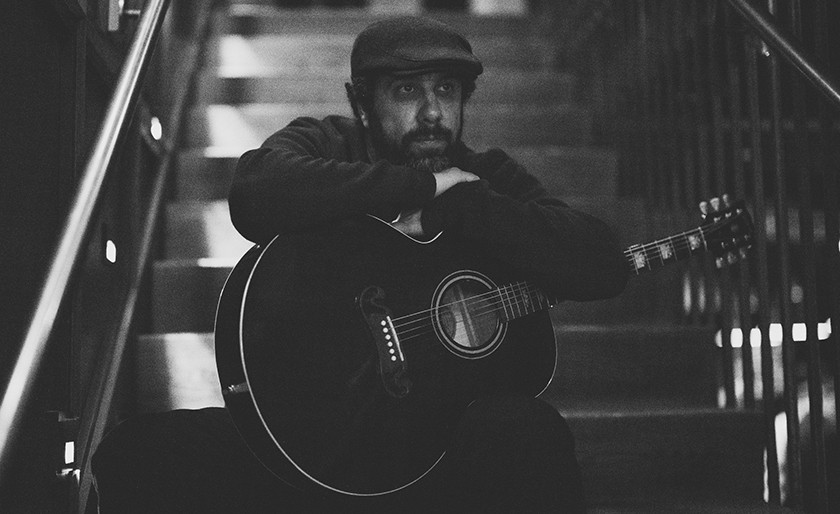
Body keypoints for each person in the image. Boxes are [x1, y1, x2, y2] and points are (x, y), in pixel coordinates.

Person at [93, 16, 627, 513]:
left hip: (434, 452)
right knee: (139, 452)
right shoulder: (329, 143)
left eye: (446, 90)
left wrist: (467, 205)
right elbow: (256, 192)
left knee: (530, 431)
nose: (433, 112)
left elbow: (603, 264)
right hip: (320, 440)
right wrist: (422, 185)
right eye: (406, 91)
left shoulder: (487, 177)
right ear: (362, 102)